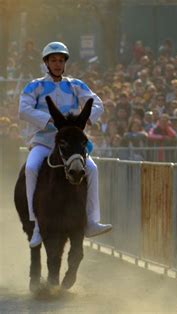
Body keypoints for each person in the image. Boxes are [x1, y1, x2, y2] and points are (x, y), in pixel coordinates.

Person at [19, 42, 112, 248]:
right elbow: (23, 109)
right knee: (31, 168)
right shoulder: (34, 86)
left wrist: (87, 118)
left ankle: (91, 221)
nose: (57, 64)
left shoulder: (75, 85)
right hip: (43, 142)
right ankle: (36, 226)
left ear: (65, 63)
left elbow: (97, 103)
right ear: (46, 62)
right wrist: (48, 119)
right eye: (53, 60)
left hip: (70, 145)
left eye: (61, 60)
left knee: (93, 169)